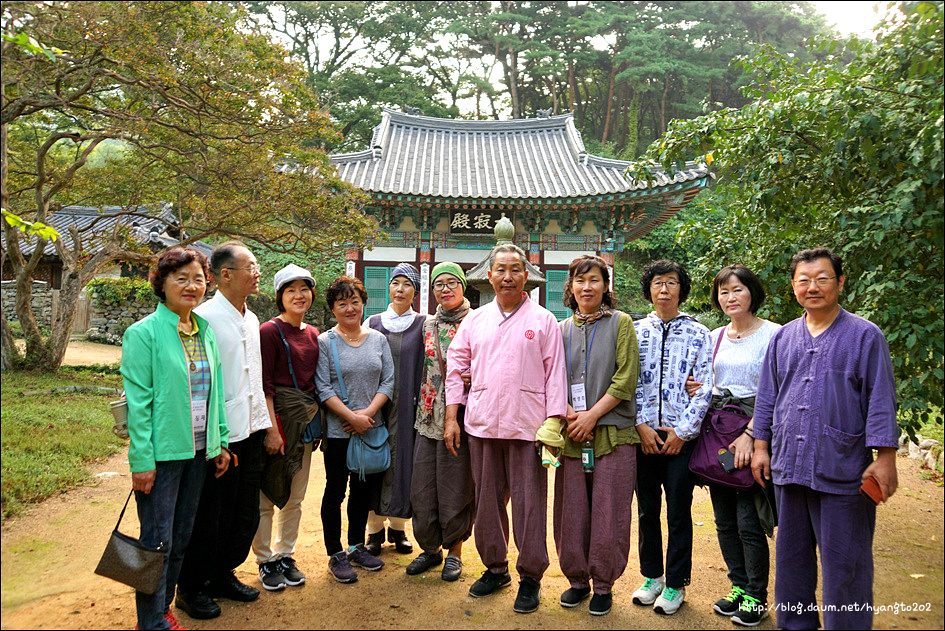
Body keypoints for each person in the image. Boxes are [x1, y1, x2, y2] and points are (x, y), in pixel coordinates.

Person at [751, 247, 898, 630]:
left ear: (840, 282)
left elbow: (881, 398)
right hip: (789, 465)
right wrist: (761, 446)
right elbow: (768, 397)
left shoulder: (865, 336)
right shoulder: (783, 338)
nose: (812, 287)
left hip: (844, 466)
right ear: (793, 286)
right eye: (803, 280)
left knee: (844, 563)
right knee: (792, 560)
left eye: (822, 278)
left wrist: (885, 457)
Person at [445, 244, 567, 614]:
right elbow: (455, 365)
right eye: (501, 270)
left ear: (526, 275)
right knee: (486, 501)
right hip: (482, 422)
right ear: (489, 275)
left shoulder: (544, 320)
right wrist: (452, 416)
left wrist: (554, 423)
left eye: (515, 269)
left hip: (528, 426)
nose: (508, 276)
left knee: (530, 505)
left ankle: (530, 575)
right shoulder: (475, 320)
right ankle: (495, 567)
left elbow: (555, 375)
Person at [121, 247, 230, 631]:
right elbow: (139, 403)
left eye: (198, 278)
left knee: (181, 537)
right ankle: (149, 622)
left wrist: (220, 442)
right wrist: (142, 460)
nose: (191, 286)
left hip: (200, 452)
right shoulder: (142, 334)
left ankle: (162, 610)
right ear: (161, 283)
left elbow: (214, 393)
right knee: (155, 543)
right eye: (180, 278)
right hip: (162, 457)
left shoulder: (205, 332)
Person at [684, 265, 781, 626]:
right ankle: (738, 587)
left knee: (749, 521)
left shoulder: (775, 334)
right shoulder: (715, 337)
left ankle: (757, 597)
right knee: (723, 520)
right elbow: (709, 383)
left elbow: (779, 390)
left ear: (752, 292)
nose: (731, 297)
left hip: (754, 431)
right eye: (724, 292)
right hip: (720, 434)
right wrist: (699, 388)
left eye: (737, 289)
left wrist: (754, 435)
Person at [553, 255, 640, 617]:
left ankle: (603, 584)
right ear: (570, 287)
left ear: (606, 286)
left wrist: (591, 416)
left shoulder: (621, 323)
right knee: (571, 510)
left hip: (613, 433)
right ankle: (577, 580)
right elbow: (552, 377)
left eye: (594, 280)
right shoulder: (560, 329)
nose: (586, 287)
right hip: (572, 433)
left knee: (609, 511)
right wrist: (572, 416)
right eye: (579, 280)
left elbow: (625, 378)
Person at [631, 259, 713, 616]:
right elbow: (626, 382)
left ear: (682, 289)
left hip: (681, 439)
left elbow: (707, 386)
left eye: (671, 283)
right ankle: (652, 577)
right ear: (648, 289)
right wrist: (640, 426)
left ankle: (676, 583)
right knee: (647, 510)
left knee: (678, 512)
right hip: (644, 437)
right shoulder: (634, 331)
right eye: (658, 283)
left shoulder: (699, 333)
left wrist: (684, 431)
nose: (664, 289)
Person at [315, 276, 393, 583]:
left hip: (371, 428)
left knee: (363, 491)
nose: (349, 308)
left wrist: (368, 414)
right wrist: (350, 416)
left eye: (354, 301)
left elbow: (388, 380)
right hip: (338, 432)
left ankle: (356, 545)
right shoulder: (325, 342)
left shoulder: (378, 339)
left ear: (364, 303)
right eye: (342, 303)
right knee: (335, 492)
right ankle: (335, 553)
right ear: (333, 308)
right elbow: (322, 385)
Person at [254, 264, 321, 591]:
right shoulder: (269, 331)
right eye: (291, 290)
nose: (299, 295)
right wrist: (271, 429)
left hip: (304, 425)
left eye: (304, 289)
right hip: (278, 422)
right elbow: (265, 383)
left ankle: (285, 554)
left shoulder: (312, 334)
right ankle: (265, 560)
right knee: (267, 494)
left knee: (295, 495)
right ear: (281, 296)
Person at [406, 262, 475, 582]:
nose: (444, 289)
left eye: (451, 283)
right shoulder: (428, 323)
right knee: (422, 486)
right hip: (428, 414)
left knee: (454, 486)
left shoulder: (476, 322)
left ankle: (455, 552)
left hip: (460, 416)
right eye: (438, 285)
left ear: (463, 286)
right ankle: (430, 549)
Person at [365, 263, 425, 556]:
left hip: (409, 408)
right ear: (388, 287)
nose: (400, 289)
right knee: (374, 461)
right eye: (395, 283)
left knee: (404, 464)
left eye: (407, 285)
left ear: (415, 291)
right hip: (375, 407)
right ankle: (373, 531)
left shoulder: (423, 323)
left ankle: (399, 529)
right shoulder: (372, 322)